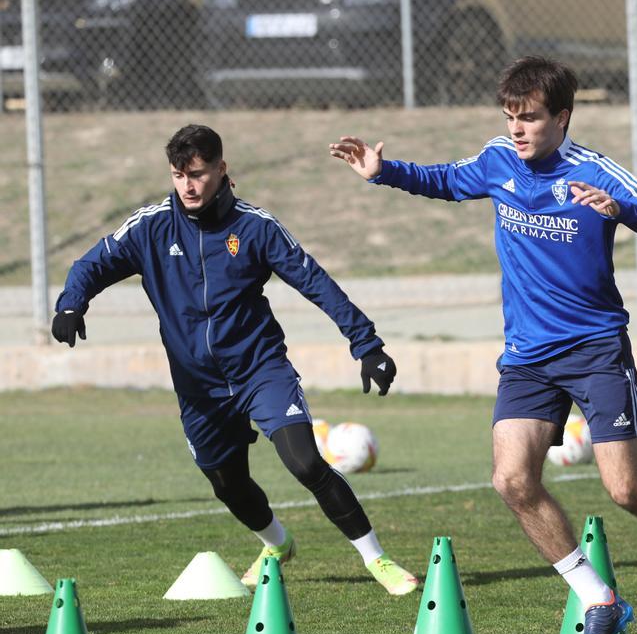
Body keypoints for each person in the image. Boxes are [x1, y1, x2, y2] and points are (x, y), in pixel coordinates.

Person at [329, 56, 637, 634]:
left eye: (529, 118)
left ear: (563, 117)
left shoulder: (594, 170)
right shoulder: (498, 161)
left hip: (596, 349)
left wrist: (620, 210)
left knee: (626, 490)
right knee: (511, 479)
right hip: (527, 356)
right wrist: (383, 171)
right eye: (510, 118)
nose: (517, 130)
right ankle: (599, 599)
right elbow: (445, 180)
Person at [52, 124, 419, 596]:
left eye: (198, 174)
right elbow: (92, 264)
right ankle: (277, 544)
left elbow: (316, 282)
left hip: (259, 370)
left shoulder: (255, 227)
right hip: (198, 387)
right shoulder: (151, 226)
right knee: (227, 484)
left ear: (221, 170)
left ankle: (378, 559)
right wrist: (70, 303)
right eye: (178, 175)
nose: (187, 185)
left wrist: (366, 344)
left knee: (306, 463)